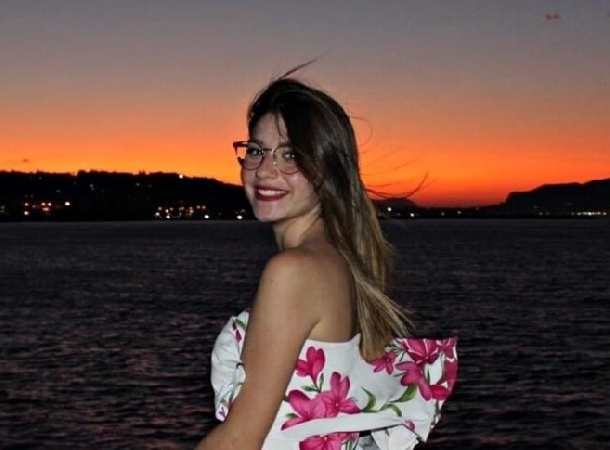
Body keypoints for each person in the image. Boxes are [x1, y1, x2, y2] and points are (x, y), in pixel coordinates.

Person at [195, 67, 457, 450]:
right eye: (256, 151)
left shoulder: (295, 270)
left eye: (290, 156)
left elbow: (239, 439)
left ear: (326, 171)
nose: (265, 170)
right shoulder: (336, 260)